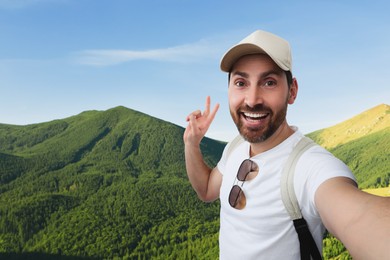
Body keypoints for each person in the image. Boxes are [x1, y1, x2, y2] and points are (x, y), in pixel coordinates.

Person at [183, 30, 390, 259]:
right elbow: (206, 190)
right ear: (230, 90)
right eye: (241, 82)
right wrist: (192, 144)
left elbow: (360, 217)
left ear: (292, 92)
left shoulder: (310, 166)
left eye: (269, 82)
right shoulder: (235, 146)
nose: (252, 100)